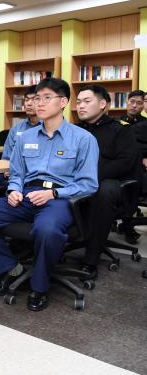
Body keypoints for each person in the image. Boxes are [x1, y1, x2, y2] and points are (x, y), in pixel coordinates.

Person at [0, 77, 99, 312]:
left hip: (59, 198)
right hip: (27, 194)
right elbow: (16, 173)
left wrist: (54, 193)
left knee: (46, 229)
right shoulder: (24, 137)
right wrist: (14, 189)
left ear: (64, 102)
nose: (39, 103)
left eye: (47, 98)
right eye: (37, 98)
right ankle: (7, 270)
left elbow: (88, 184)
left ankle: (40, 286)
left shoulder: (83, 139)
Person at [76, 84, 140, 278]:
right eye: (78, 102)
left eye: (87, 101)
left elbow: (125, 162)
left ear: (103, 104)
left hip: (112, 182)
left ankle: (91, 258)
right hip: (78, 181)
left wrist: (89, 177)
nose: (81, 106)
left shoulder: (120, 129)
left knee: (104, 191)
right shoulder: (75, 130)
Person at [0, 85, 40, 197]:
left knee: (1, 189)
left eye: (34, 99)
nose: (29, 103)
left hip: (31, 176)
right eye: (26, 100)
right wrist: (8, 169)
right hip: (10, 173)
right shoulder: (16, 129)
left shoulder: (47, 129)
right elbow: (6, 156)